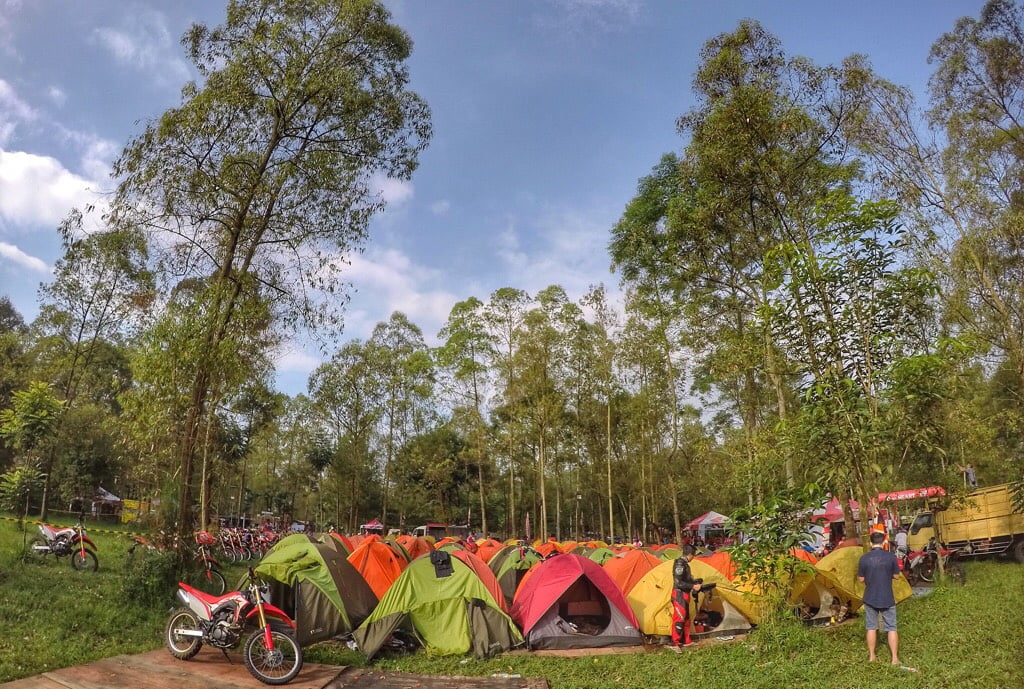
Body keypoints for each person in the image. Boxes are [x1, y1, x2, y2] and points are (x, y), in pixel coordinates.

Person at [857, 530, 902, 665]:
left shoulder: (864, 558)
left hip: (870, 597)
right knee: (891, 627)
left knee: (871, 627)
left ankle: (872, 656)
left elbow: (860, 579)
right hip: (887, 597)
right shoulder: (890, 557)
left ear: (870, 543)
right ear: (884, 542)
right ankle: (894, 658)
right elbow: (896, 576)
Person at [669, 545, 702, 651]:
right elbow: (678, 582)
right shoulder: (679, 564)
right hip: (679, 594)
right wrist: (693, 586)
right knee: (679, 618)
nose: (694, 557)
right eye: (693, 555)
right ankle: (674, 643)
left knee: (686, 618)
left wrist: (696, 582)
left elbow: (685, 580)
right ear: (690, 554)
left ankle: (686, 641)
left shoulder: (685, 564)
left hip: (685, 594)